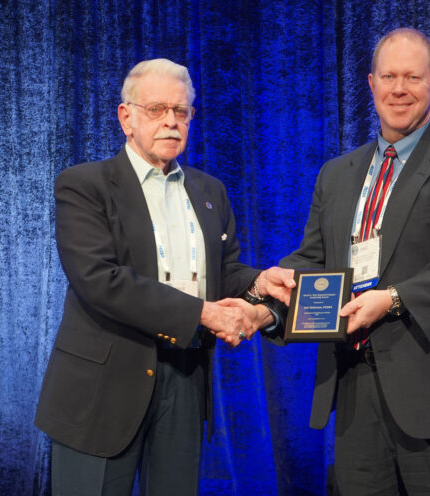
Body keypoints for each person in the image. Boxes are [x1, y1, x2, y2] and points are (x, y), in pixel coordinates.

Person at [277, 28, 430, 495]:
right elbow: (314, 259)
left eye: (413, 77)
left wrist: (392, 299)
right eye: (389, 77)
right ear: (371, 84)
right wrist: (265, 302)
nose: (399, 89)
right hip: (356, 393)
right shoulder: (337, 173)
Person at [34, 58, 288, 496]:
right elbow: (101, 281)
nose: (171, 121)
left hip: (185, 377)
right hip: (104, 384)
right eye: (156, 109)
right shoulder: (84, 185)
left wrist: (258, 283)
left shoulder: (210, 191)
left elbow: (222, 272)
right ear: (126, 117)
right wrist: (205, 314)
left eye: (180, 111)